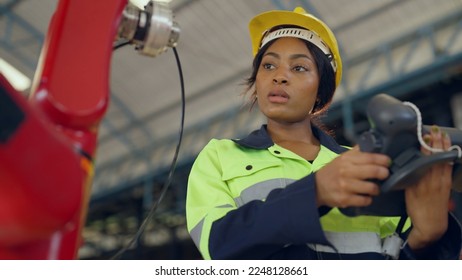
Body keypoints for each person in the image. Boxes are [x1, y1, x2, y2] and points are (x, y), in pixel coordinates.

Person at [186, 7, 462, 260]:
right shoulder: (219, 156)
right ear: (256, 81)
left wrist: (426, 238)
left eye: (299, 68)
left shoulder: (365, 165)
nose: (279, 76)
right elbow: (217, 245)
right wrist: (316, 191)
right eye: (268, 65)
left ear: (321, 92)